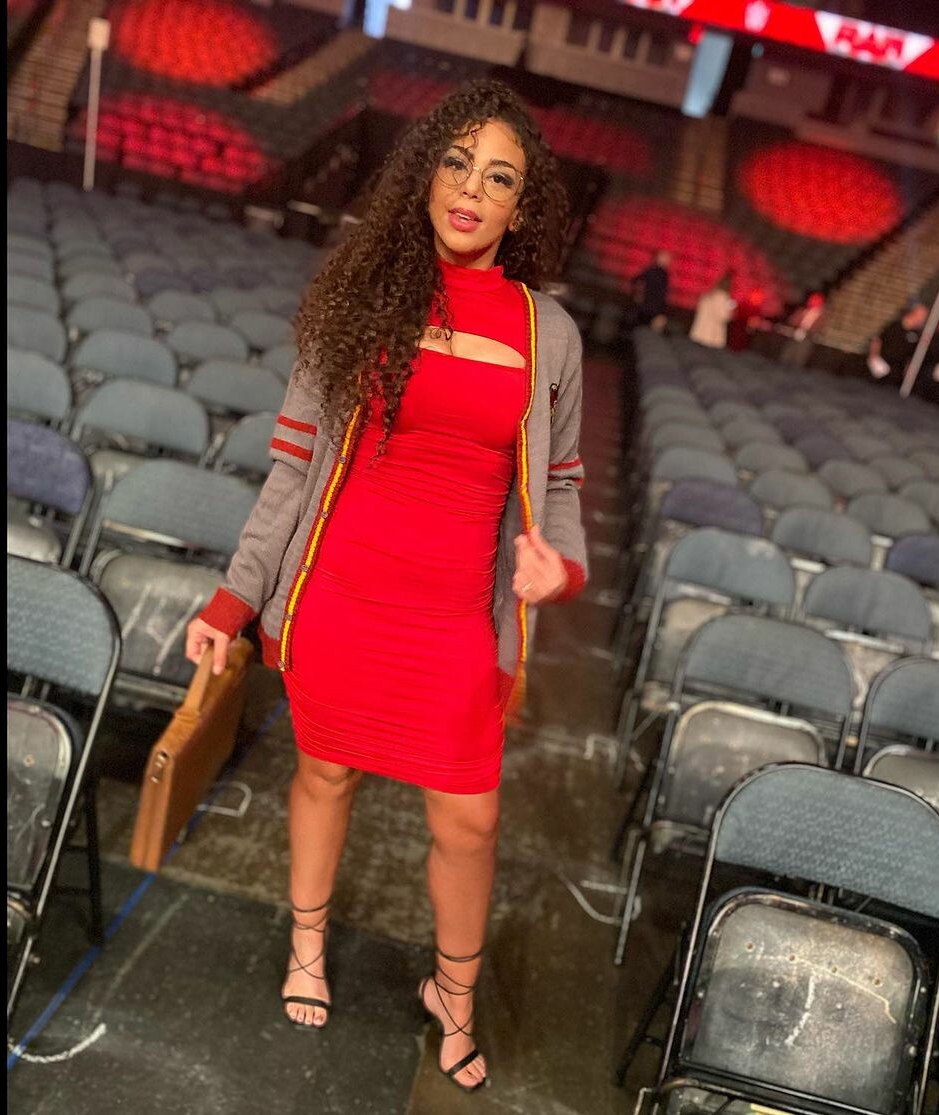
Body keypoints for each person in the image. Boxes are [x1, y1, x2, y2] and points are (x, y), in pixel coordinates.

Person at [183, 80, 588, 1094]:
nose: (472, 190)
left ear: (522, 209)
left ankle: (453, 992)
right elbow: (291, 472)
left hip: (454, 622)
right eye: (456, 164)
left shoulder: (550, 333)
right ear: (424, 177)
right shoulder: (361, 300)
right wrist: (233, 600)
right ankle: (307, 945)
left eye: (500, 179)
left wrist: (562, 563)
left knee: (470, 820)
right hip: (342, 598)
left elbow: (563, 485)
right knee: (326, 776)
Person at [867, 301, 928, 388]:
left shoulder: (916, 334)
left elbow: (911, 355)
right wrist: (874, 357)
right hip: (882, 364)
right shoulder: (894, 326)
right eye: (921, 316)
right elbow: (877, 340)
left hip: (896, 371)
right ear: (913, 314)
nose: (922, 320)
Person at [627, 249, 671, 333]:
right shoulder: (652, 271)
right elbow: (635, 280)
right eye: (665, 258)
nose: (668, 261)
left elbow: (663, 294)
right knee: (642, 329)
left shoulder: (662, 274)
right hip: (648, 306)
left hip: (652, 307)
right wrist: (637, 294)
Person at [689, 271, 736, 349]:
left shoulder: (709, 294)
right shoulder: (723, 298)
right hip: (711, 336)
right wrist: (731, 314)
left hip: (700, 333)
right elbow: (722, 316)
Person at [779, 291, 826, 367]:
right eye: (811, 299)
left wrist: (807, 332)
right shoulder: (803, 311)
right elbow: (792, 321)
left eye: (814, 300)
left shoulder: (821, 316)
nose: (811, 301)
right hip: (795, 335)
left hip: (807, 338)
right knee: (787, 354)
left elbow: (819, 329)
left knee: (800, 356)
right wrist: (797, 326)